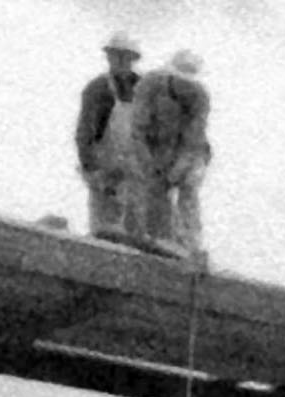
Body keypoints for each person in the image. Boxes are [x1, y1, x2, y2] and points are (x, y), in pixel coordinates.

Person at [74, 31, 149, 243]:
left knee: (137, 232)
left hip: (136, 173)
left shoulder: (146, 90)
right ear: (108, 57)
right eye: (115, 55)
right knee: (105, 229)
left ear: (133, 59)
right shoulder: (98, 89)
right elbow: (85, 133)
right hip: (105, 172)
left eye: (125, 56)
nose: (119, 61)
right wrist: (92, 169)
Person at [140, 48, 213, 258]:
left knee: (188, 190)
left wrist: (175, 172)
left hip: (194, 153)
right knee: (155, 192)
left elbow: (193, 139)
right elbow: (142, 128)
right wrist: (152, 162)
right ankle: (159, 237)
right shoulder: (154, 90)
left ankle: (190, 246)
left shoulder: (201, 97)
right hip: (162, 149)